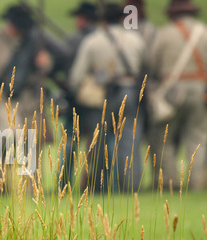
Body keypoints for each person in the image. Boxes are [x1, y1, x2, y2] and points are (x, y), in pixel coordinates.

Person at [0, 4, 69, 191]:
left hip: (32, 97)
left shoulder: (35, 39)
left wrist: (47, 63)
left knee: (33, 143)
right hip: (4, 97)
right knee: (8, 136)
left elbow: (61, 59)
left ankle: (32, 190)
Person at [69, 3, 146, 192]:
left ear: (101, 20)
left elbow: (76, 76)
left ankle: (96, 185)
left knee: (98, 141)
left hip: (102, 94)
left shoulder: (92, 41)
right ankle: (130, 187)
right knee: (130, 141)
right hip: (131, 91)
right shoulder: (135, 39)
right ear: (121, 18)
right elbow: (146, 68)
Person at [147, 0, 207, 191]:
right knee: (196, 137)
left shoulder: (165, 34)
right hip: (200, 89)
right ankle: (195, 183)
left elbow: (153, 64)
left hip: (171, 90)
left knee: (164, 137)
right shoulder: (204, 32)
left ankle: (168, 183)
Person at [62, 2, 100, 189]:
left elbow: (67, 70)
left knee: (70, 143)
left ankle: (64, 184)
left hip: (76, 100)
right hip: (98, 99)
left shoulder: (74, 41)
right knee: (99, 141)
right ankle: (98, 184)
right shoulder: (102, 39)